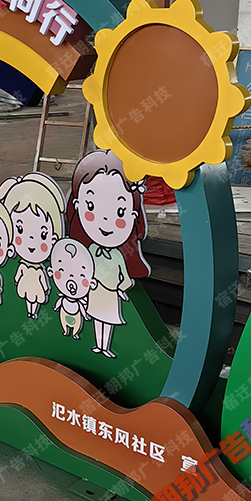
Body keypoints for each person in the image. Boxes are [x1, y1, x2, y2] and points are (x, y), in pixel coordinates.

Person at [66, 150, 150, 358]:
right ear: (77, 205)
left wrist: (122, 288)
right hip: (95, 293)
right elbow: (84, 270)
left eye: (119, 211)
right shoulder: (89, 251)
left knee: (108, 320)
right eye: (91, 206)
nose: (105, 220)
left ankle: (105, 346)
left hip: (111, 295)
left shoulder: (119, 256)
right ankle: (99, 345)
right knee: (97, 318)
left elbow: (123, 276)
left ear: (133, 214)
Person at [0, 173, 65, 319]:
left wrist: (45, 288)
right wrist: (17, 279)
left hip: (35, 285)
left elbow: (43, 283)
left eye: (43, 235)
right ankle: (30, 311)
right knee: (29, 298)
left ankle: (32, 312)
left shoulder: (40, 269)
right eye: (20, 229)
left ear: (53, 238)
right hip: (26, 284)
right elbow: (18, 275)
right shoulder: (22, 265)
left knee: (35, 298)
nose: (31, 240)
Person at [48, 238, 96, 339]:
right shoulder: (63, 298)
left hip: (76, 312)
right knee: (63, 319)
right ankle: (66, 331)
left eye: (81, 275)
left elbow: (82, 308)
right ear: (51, 271)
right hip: (64, 310)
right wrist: (56, 307)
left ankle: (74, 333)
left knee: (76, 323)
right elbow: (59, 302)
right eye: (61, 270)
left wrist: (85, 315)